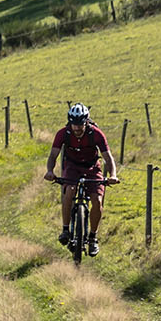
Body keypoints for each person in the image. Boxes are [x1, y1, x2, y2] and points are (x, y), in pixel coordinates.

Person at [46, 103, 118, 254]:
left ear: (86, 122)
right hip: (72, 166)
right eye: (74, 125)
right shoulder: (63, 134)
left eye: (80, 125)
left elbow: (108, 158)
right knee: (69, 192)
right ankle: (65, 230)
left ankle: (93, 238)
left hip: (92, 167)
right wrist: (50, 171)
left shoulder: (96, 134)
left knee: (97, 201)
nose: (77, 128)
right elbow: (53, 155)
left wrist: (112, 175)